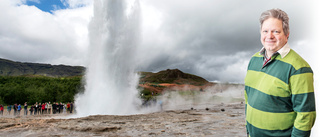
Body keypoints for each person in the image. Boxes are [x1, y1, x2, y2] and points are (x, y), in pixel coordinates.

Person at [244, 9, 316, 137]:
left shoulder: (299, 68)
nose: (269, 36)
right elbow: (248, 99)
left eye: (276, 31)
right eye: (265, 31)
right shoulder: (253, 60)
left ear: (287, 34)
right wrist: (248, 131)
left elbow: (305, 115)